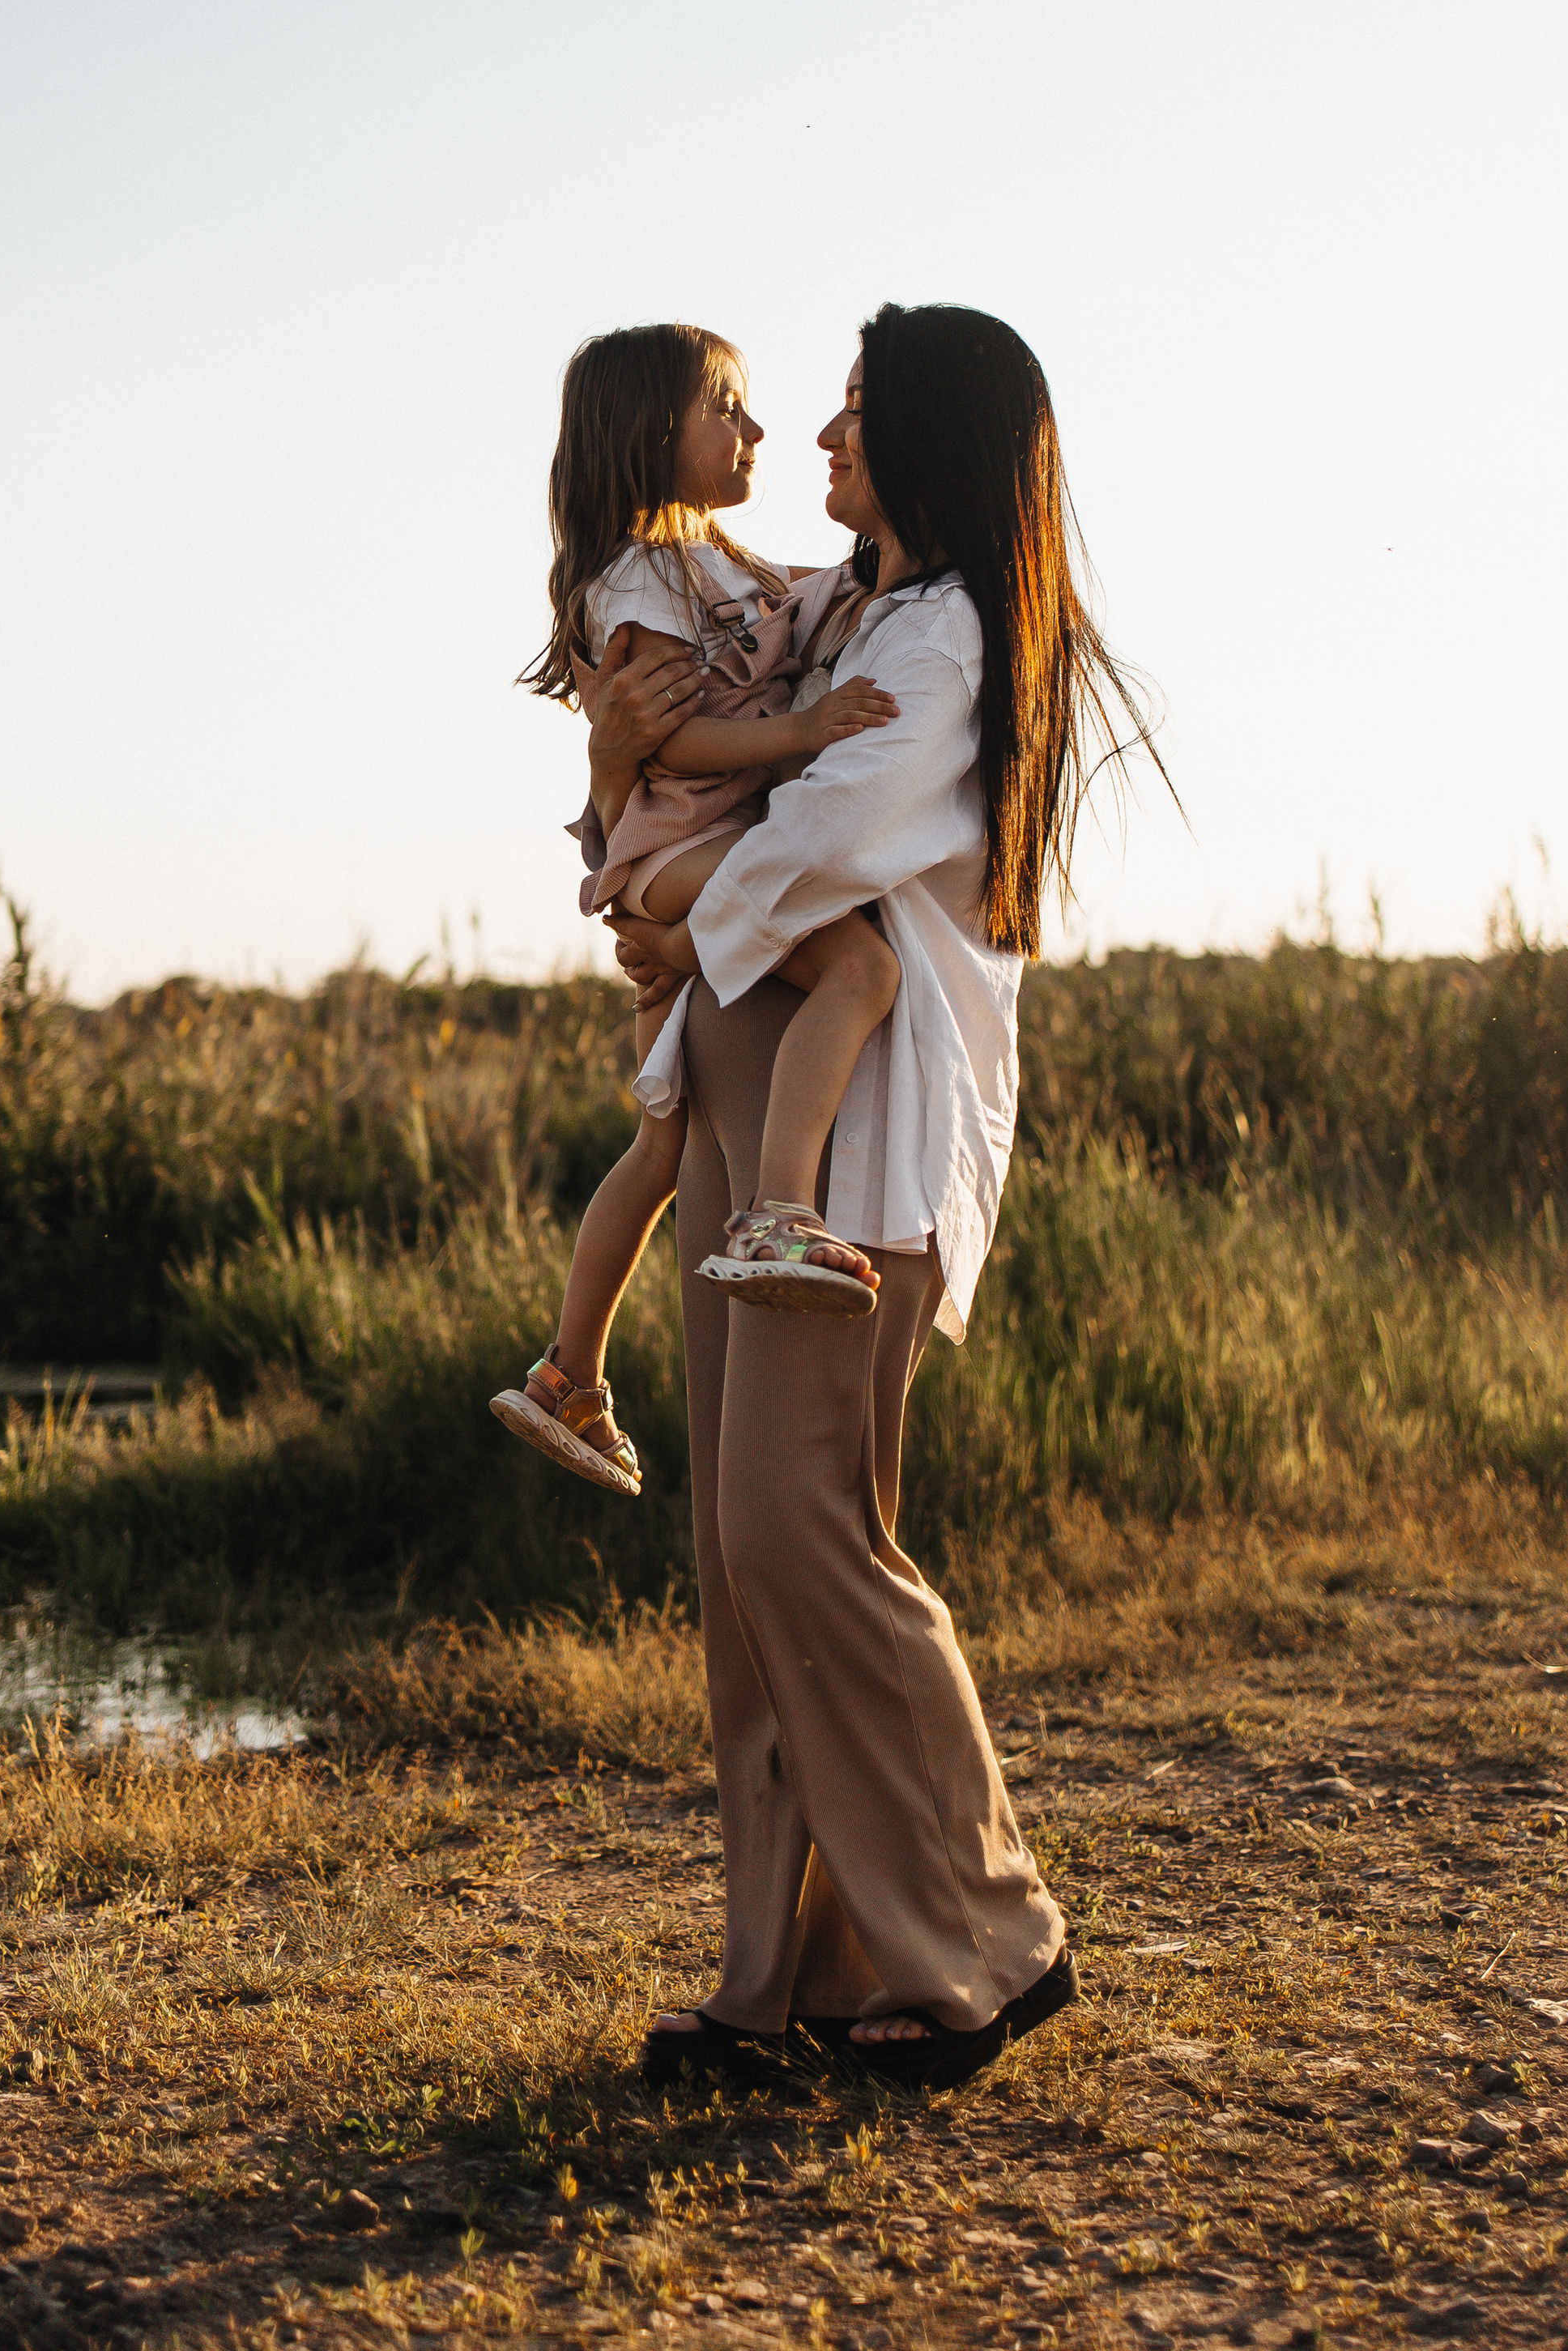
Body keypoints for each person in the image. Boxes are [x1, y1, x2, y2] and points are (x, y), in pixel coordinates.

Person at [593, 302, 1160, 2089]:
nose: (823, 437)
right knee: (740, 1562)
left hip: (853, 1160)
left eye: (853, 410)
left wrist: (664, 901)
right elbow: (678, 762)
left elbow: (823, 839)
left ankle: (988, 1936)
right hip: (749, 1111)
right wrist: (624, 802)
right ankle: (785, 1976)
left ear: (927, 440)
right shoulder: (839, 611)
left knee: (802, 1532)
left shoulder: (944, 638)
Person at [489, 321, 905, 1499]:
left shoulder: (719, 563)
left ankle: (570, 1373)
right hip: (673, 852)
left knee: (661, 1145)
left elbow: (813, 606)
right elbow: (665, 740)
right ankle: (779, 1210)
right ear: (646, 434)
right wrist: (803, 730)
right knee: (859, 970)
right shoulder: (639, 581)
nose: (756, 429)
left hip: (685, 853)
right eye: (725, 407)